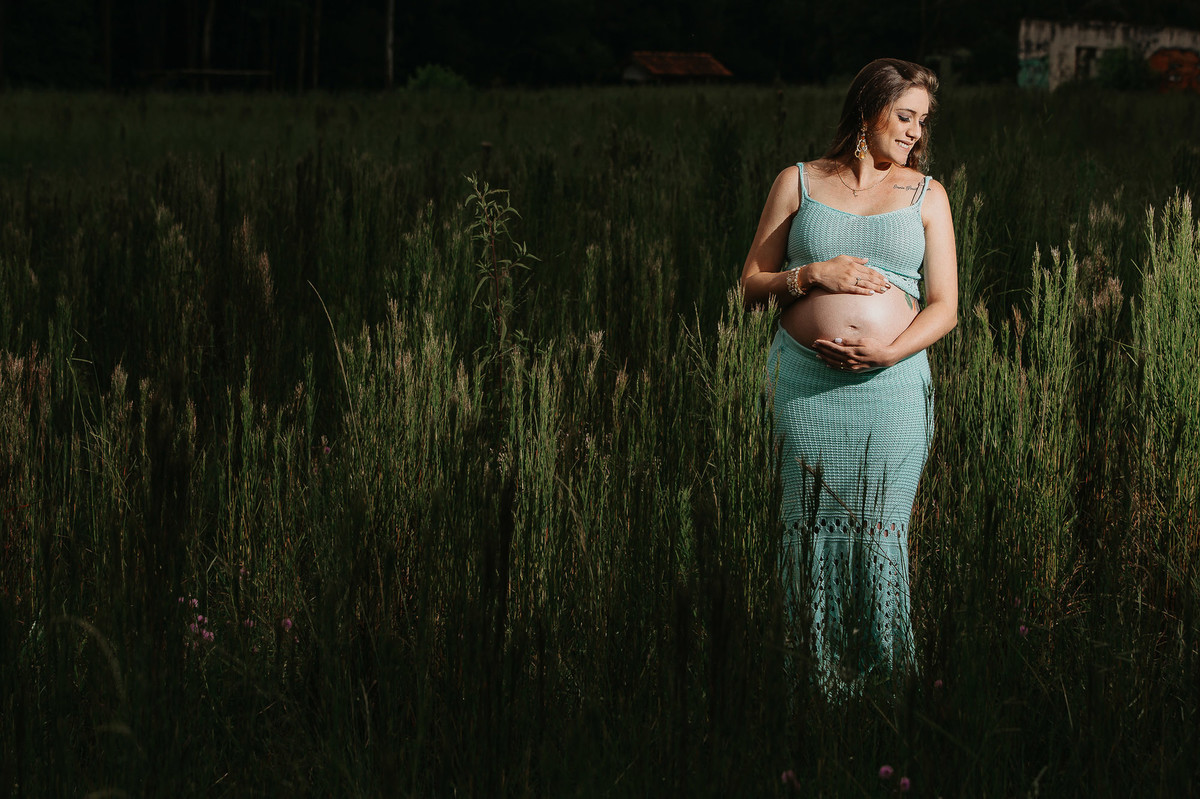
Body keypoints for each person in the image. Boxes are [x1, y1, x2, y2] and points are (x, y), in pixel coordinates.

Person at [739, 59, 958, 694]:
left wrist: (889, 354)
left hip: (891, 393)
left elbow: (944, 306)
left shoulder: (928, 195)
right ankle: (810, 685)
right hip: (804, 389)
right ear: (868, 111)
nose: (916, 132)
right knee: (804, 526)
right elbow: (750, 286)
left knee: (880, 532)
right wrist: (813, 275)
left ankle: (881, 688)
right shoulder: (798, 182)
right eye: (906, 116)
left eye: (923, 121)